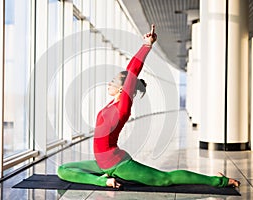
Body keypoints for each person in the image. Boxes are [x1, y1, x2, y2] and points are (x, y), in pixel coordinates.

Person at [57, 24, 240, 188]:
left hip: (117, 163)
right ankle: (103, 180)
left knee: (164, 179)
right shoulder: (110, 103)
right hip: (101, 162)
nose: (109, 84)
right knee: (63, 170)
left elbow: (132, 71)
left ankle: (219, 181)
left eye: (113, 82)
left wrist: (147, 45)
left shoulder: (123, 105)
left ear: (123, 87)